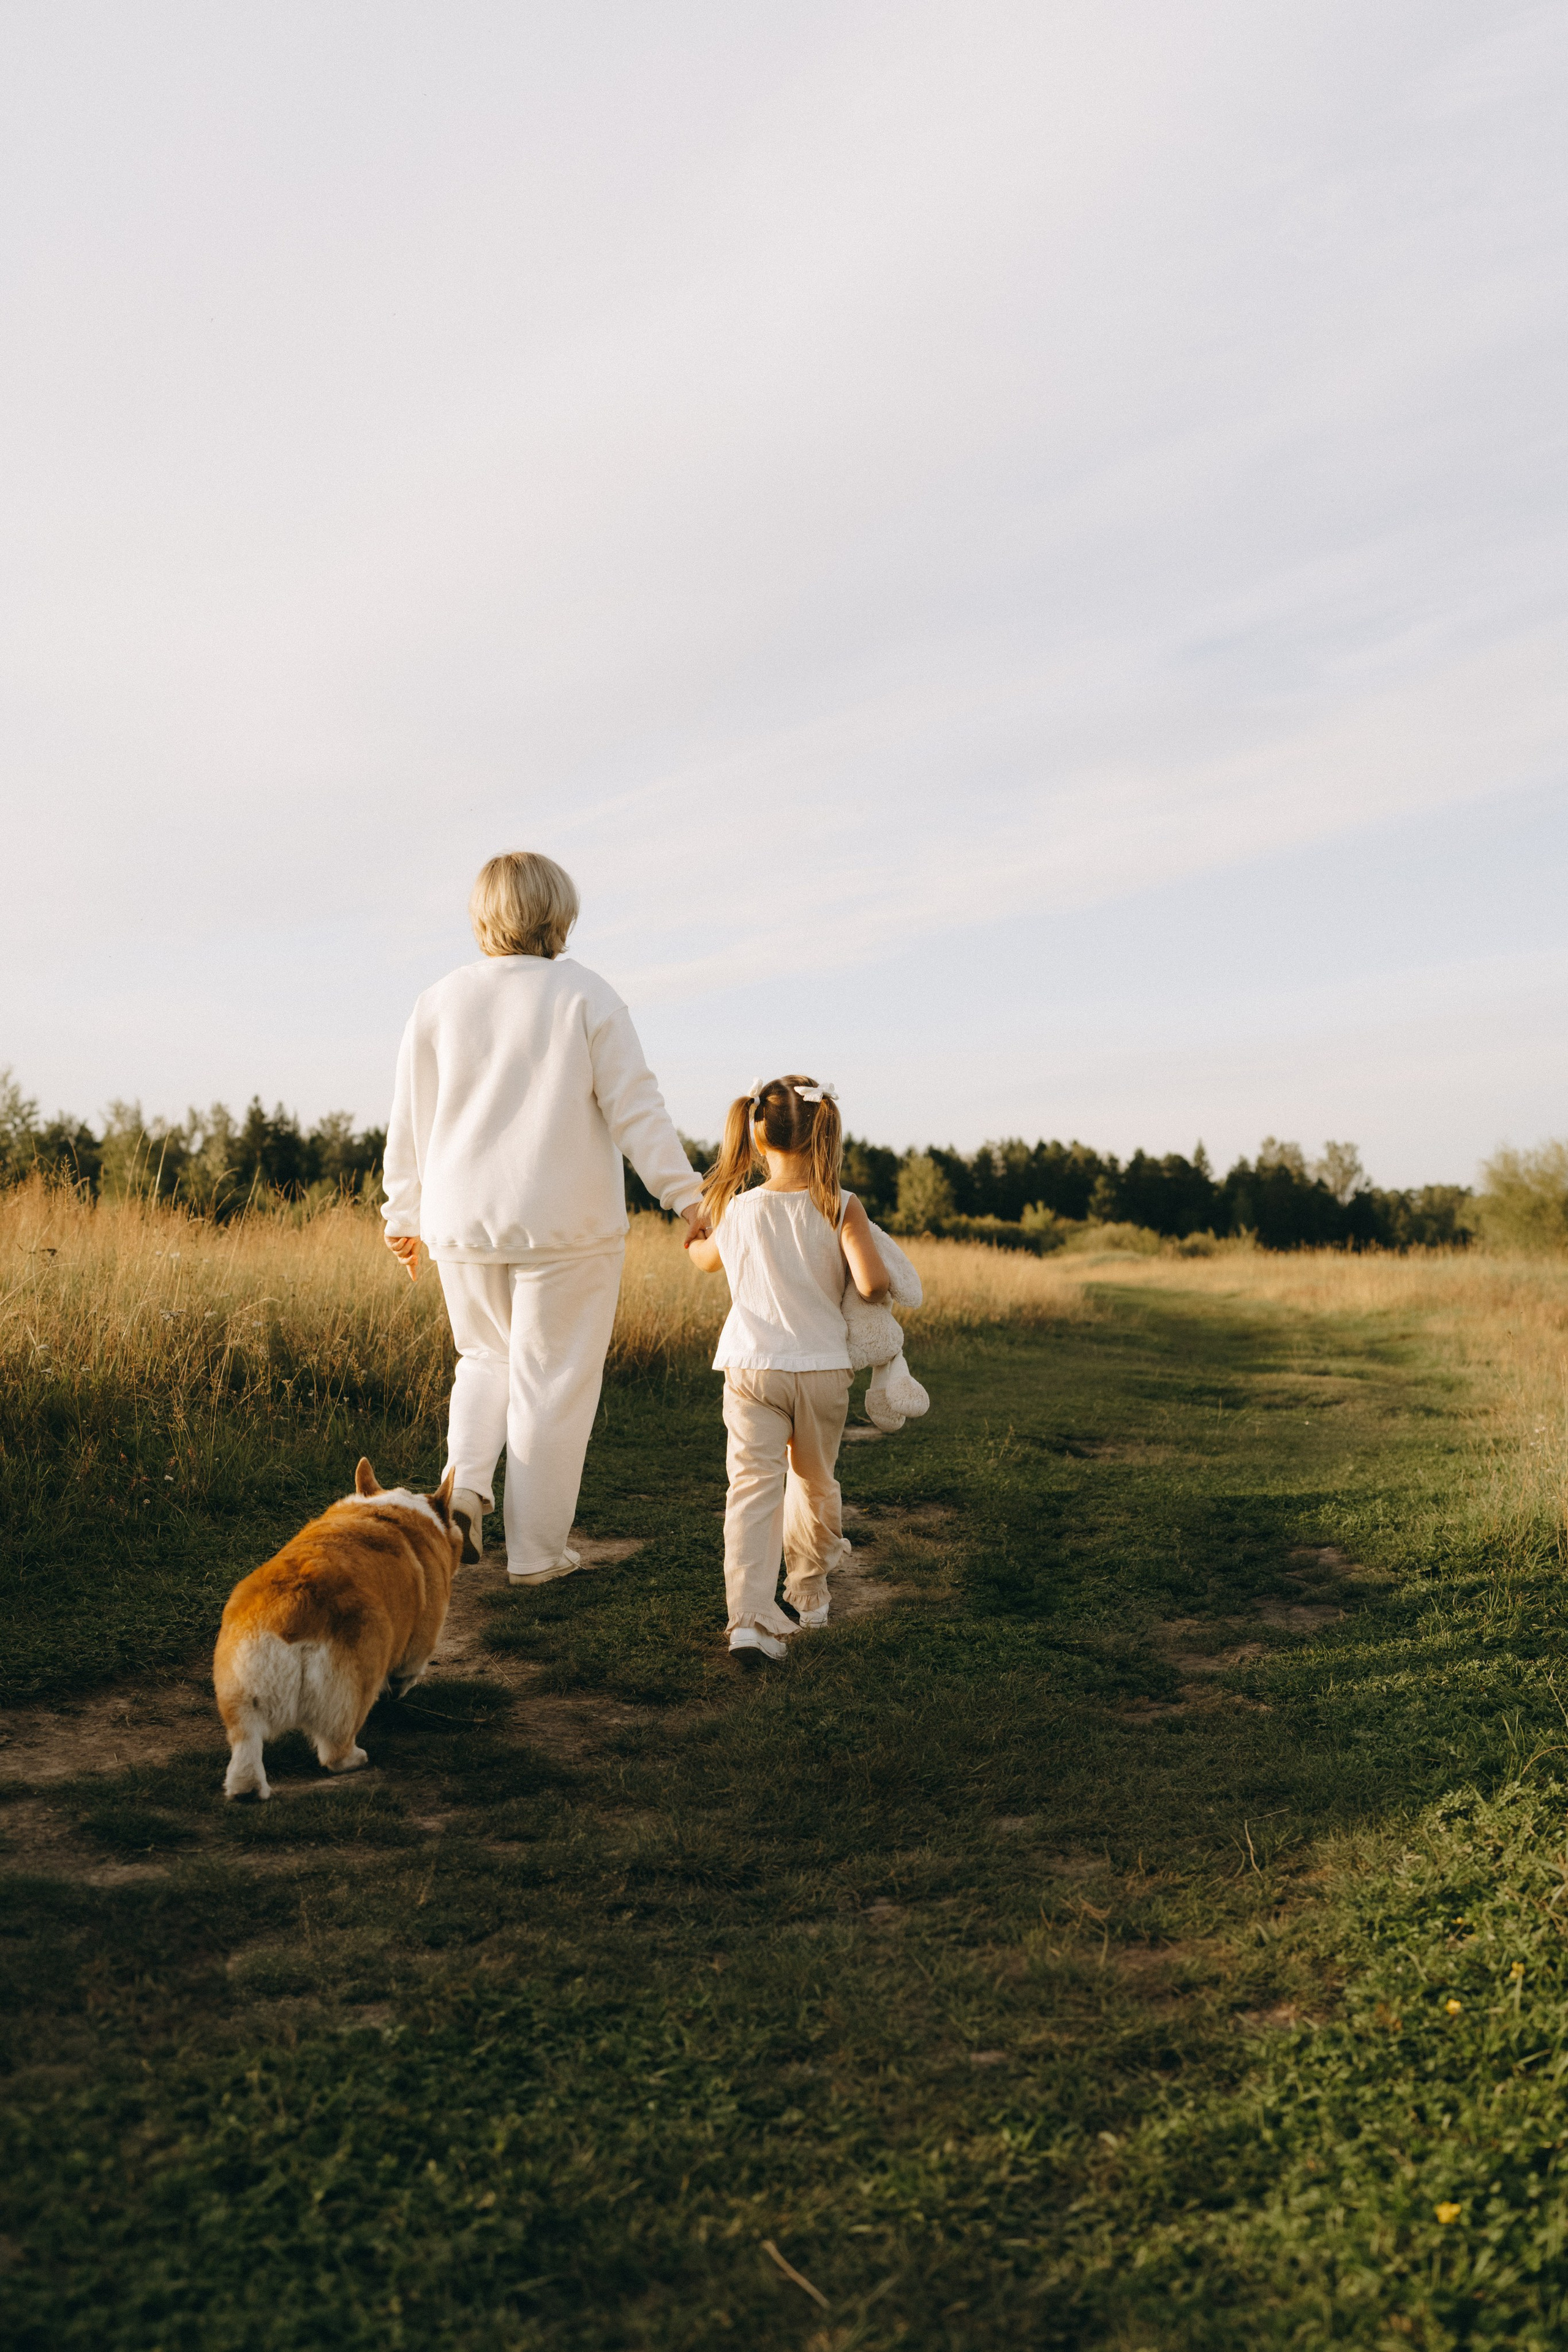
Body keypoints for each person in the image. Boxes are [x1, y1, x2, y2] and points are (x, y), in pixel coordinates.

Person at [381, 851, 704, 1583]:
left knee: (484, 1361)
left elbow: (409, 1118)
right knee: (552, 1383)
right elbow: (636, 1108)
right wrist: (686, 1196)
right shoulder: (586, 995)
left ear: (481, 916)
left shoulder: (437, 1000)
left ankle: (462, 1491)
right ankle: (535, 1556)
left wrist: (403, 1213)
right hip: (567, 1228)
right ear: (559, 914)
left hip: (461, 1222)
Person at [684, 1074, 889, 1666]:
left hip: (751, 1367)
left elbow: (703, 1260)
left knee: (750, 1490)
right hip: (822, 1368)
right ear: (823, 1131)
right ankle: (810, 1596)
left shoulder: (740, 1209)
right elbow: (873, 1283)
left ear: (756, 1135)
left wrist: (692, 1233)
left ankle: (748, 1618)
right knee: (815, 1483)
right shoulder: (841, 1205)